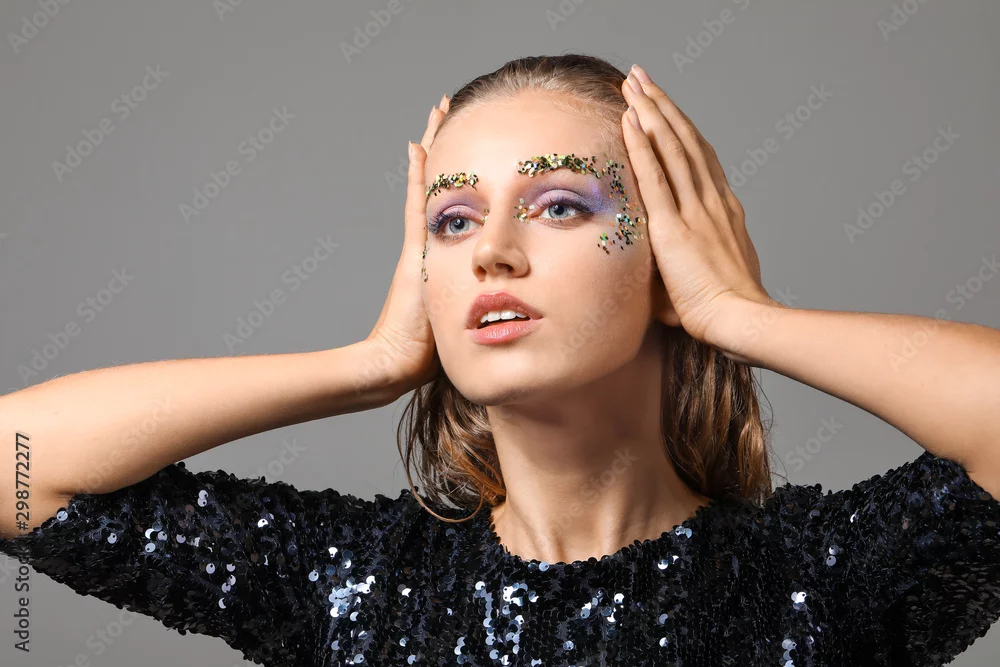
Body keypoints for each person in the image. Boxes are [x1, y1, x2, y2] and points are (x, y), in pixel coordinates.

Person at [1, 53, 999, 667]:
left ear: (667, 254)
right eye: (453, 218)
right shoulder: (353, 581)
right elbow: (15, 464)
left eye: (558, 204)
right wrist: (371, 361)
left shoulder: (822, 574)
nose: (491, 251)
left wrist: (737, 314)